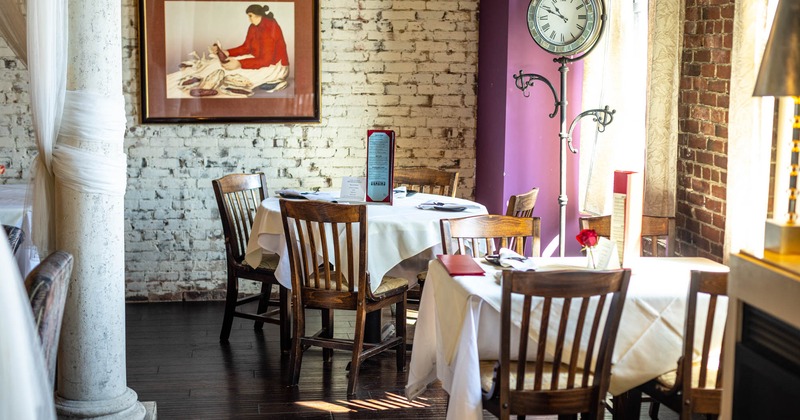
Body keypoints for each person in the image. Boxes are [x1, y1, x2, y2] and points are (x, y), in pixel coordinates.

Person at [212, 4, 289, 71]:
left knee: (231, 73)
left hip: (275, 66)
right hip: (259, 60)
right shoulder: (253, 27)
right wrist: (228, 52)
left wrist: (239, 64)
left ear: (258, 15)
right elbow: (246, 47)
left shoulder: (270, 27)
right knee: (219, 65)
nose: (249, 20)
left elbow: (266, 60)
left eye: (250, 16)